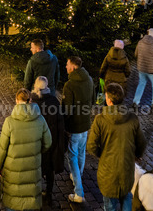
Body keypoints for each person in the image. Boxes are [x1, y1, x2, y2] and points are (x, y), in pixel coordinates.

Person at [88, 83, 146, 211]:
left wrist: (101, 154)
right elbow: (142, 142)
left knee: (109, 206)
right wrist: (136, 155)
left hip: (108, 173)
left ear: (108, 99)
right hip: (127, 170)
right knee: (126, 200)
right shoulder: (132, 118)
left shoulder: (100, 119)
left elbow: (91, 146)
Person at [0, 89, 52, 211]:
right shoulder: (40, 119)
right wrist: (36, 151)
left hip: (12, 170)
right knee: (30, 201)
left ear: (16, 101)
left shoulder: (9, 122)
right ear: (30, 100)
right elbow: (48, 142)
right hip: (32, 168)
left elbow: (3, 148)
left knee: (12, 203)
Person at [62, 56, 94, 205]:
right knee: (81, 151)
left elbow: (67, 110)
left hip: (74, 126)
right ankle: (78, 175)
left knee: (72, 156)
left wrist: (64, 125)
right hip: (85, 123)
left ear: (73, 67)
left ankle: (78, 191)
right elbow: (93, 100)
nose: (66, 67)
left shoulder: (70, 85)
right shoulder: (89, 79)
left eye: (67, 65)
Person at [32, 77, 65, 203]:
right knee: (50, 168)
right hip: (51, 141)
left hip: (37, 141)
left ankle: (37, 193)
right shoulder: (54, 101)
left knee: (37, 168)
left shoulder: (32, 102)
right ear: (47, 87)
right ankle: (49, 192)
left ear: (35, 86)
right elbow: (60, 123)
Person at [133, 29, 153, 111]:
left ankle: (135, 102)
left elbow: (136, 54)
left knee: (141, 84)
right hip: (152, 69)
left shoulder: (140, 42)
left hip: (142, 68)